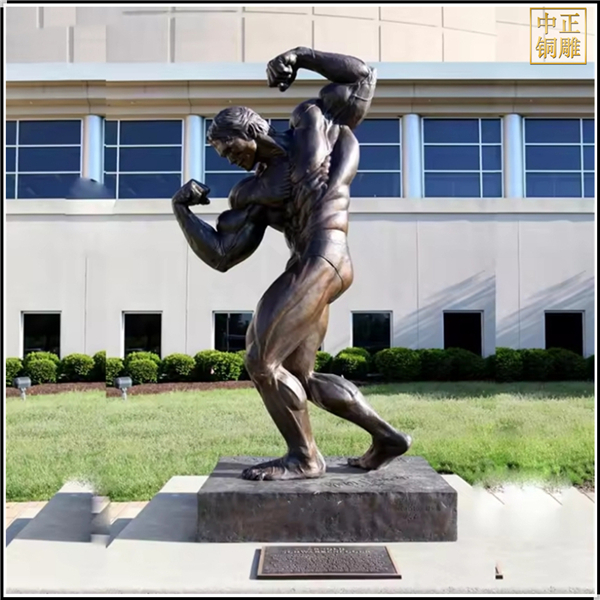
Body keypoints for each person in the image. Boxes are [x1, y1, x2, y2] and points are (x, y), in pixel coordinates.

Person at [172, 47, 412, 481]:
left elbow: (362, 78)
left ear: (251, 128)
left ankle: (304, 458)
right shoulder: (252, 192)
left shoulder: (311, 125)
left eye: (229, 146)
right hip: (309, 265)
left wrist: (300, 57)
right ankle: (387, 437)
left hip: (326, 255)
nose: (227, 157)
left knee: (261, 362)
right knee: (300, 374)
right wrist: (182, 211)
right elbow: (223, 255)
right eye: (222, 154)